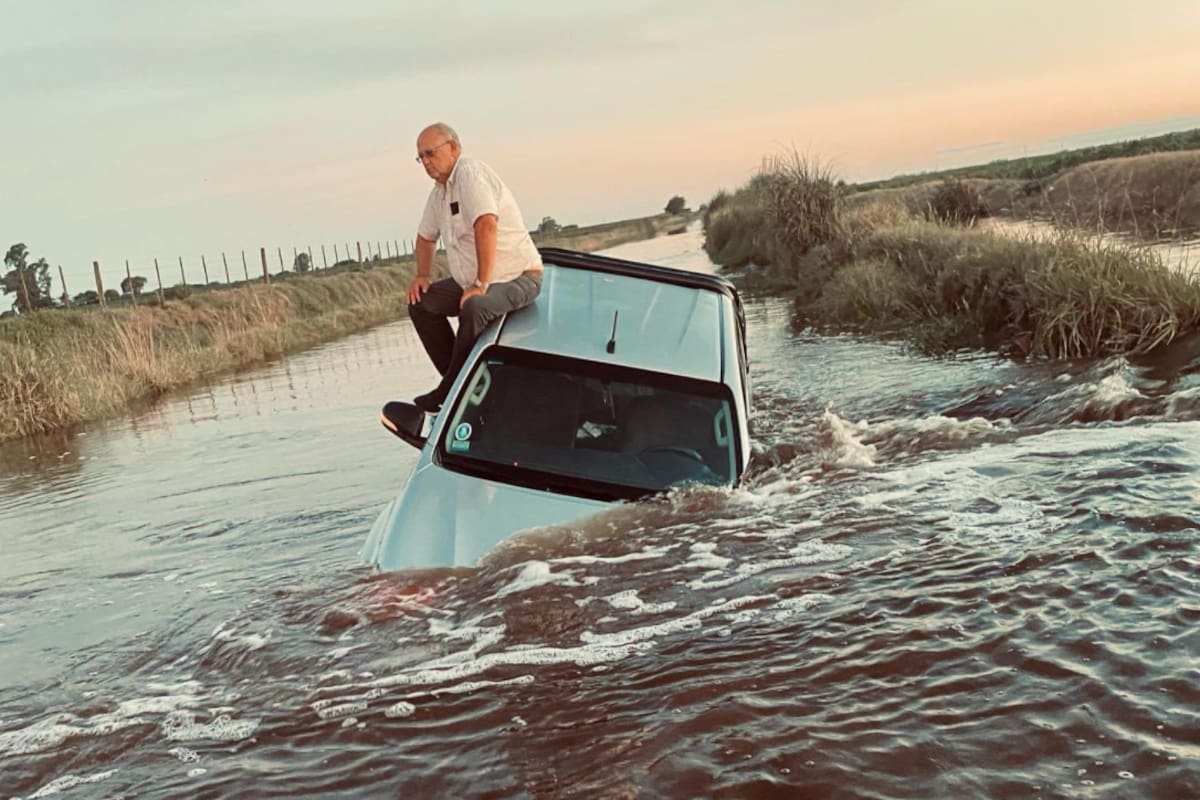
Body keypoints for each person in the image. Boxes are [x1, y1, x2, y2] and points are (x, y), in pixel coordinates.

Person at [405, 122, 544, 413]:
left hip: (517, 277)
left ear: (453, 147)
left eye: (430, 153)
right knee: (421, 303)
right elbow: (425, 236)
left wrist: (481, 283)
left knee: (475, 307)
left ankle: (450, 391)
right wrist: (422, 274)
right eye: (421, 157)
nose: (426, 163)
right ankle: (459, 383)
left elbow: (486, 224)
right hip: (469, 280)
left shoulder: (470, 174)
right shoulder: (440, 192)